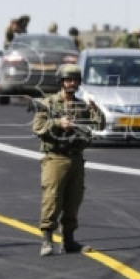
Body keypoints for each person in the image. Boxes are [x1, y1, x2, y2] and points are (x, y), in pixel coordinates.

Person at [31, 64, 105, 256]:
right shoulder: (48, 103)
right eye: (68, 80)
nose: (72, 83)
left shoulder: (81, 106)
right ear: (61, 82)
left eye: (75, 80)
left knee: (74, 200)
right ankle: (46, 240)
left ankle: (69, 240)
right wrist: (57, 123)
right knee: (52, 199)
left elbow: (100, 124)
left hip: (76, 159)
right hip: (55, 158)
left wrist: (95, 109)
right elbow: (38, 127)